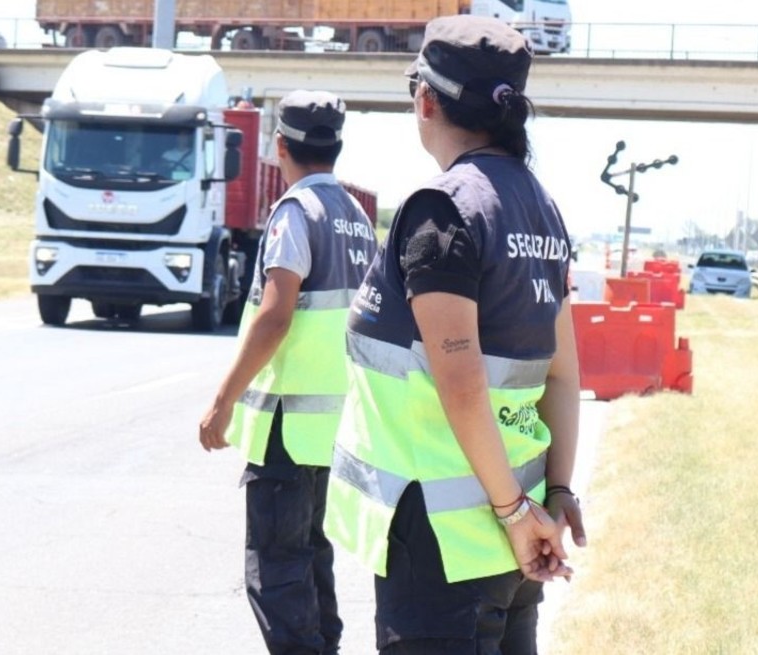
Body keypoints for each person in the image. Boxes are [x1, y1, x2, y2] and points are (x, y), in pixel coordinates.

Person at [322, 16, 587, 654]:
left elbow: (461, 383)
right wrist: (553, 495)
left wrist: (518, 516)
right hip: (511, 529)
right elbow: (563, 372)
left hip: (446, 542)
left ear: (426, 99)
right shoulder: (539, 208)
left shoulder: (443, 211)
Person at [199, 90, 377, 655]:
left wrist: (223, 399)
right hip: (332, 428)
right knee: (309, 557)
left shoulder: (297, 212)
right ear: (338, 146)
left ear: (279, 146)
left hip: (287, 428)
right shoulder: (356, 217)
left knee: (276, 569)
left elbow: (275, 316)